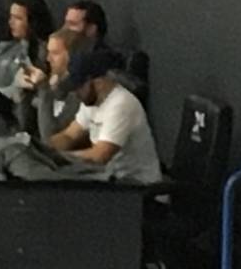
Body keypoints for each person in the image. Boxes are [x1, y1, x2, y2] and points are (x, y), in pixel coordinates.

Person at [48, 49, 164, 182]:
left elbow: (100, 156)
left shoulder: (121, 105)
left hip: (138, 186)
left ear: (98, 81)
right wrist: (46, 150)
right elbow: (69, 135)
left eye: (79, 87)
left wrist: (62, 157)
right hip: (114, 180)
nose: (75, 93)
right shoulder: (90, 101)